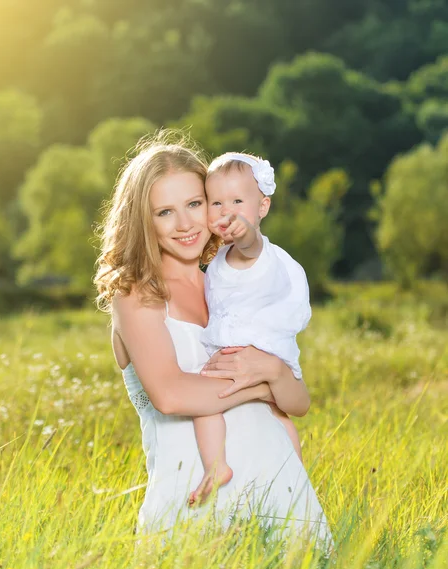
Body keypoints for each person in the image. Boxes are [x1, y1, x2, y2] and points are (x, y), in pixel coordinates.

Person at [94, 131, 331, 545]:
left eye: (194, 204)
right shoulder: (136, 295)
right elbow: (170, 395)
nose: (185, 224)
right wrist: (260, 385)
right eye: (164, 211)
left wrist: (275, 370)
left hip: (277, 487)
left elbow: (299, 402)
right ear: (141, 220)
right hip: (193, 500)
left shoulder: (227, 288)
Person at [190, 152, 310, 505]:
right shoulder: (217, 260)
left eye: (238, 202)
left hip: (258, 344)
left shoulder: (253, 250)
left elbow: (251, 247)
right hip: (236, 348)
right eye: (216, 203)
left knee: (267, 413)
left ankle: (291, 474)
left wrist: (245, 235)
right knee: (218, 407)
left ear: (263, 207)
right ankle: (218, 465)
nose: (227, 212)